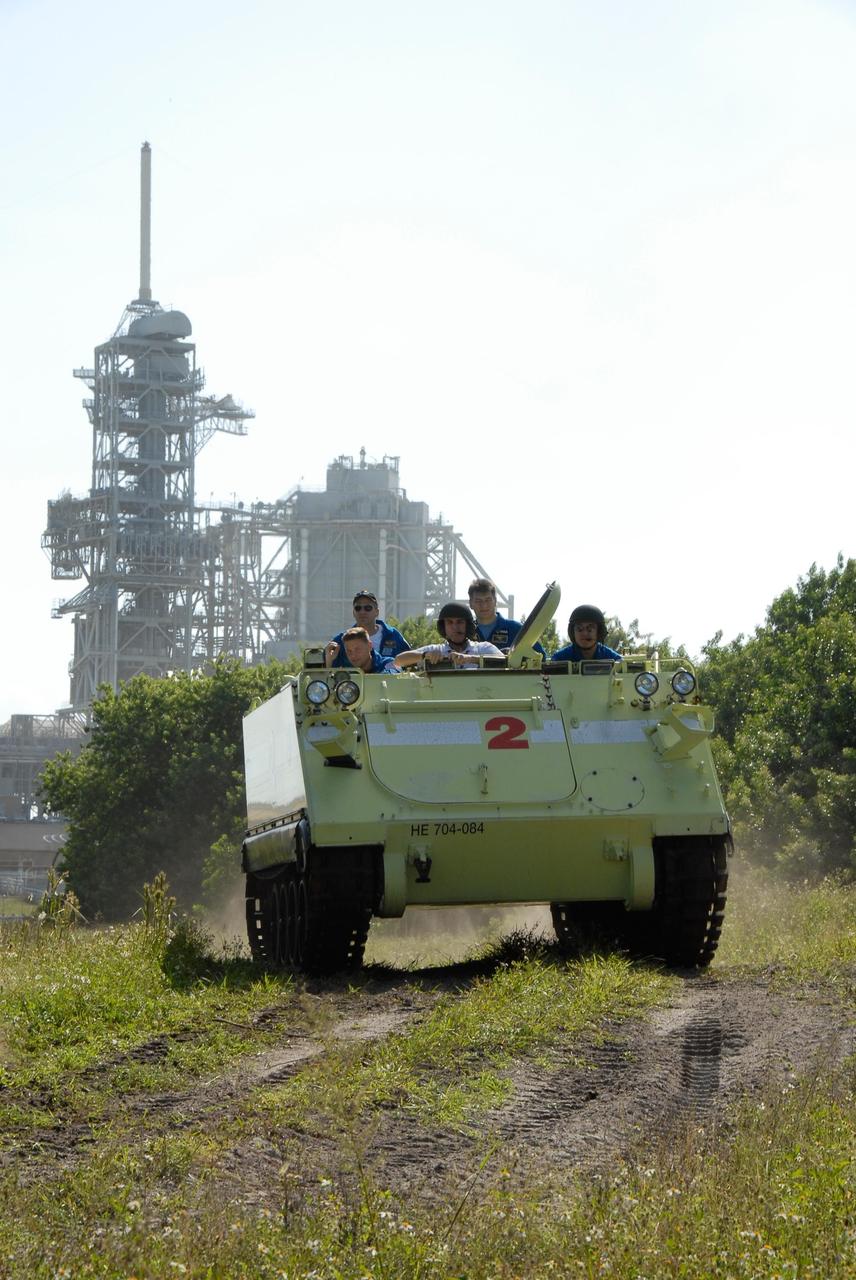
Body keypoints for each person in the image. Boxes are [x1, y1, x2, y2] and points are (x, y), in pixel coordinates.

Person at [396, 602, 503, 669]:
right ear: (443, 627)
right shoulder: (435, 650)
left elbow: (505, 662)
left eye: (460, 622)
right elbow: (398, 661)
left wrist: (470, 659)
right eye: (450, 623)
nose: (455, 627)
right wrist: (425, 656)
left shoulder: (483, 648)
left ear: (468, 626)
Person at [325, 590, 409, 668]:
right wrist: (329, 660)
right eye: (358, 608)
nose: (362, 612)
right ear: (353, 612)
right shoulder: (341, 639)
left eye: (368, 608)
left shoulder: (393, 635)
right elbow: (329, 669)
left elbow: (410, 664)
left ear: (377, 612)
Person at [468, 577, 547, 656]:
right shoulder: (465, 632)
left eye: (488, 600)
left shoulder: (516, 629)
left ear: (495, 601)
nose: (484, 605)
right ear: (470, 604)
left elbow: (540, 657)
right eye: (478, 601)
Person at [552, 604, 622, 662]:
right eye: (579, 629)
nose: (585, 633)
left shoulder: (612, 659)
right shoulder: (559, 659)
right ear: (572, 632)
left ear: (599, 632)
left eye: (590, 629)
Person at [335, 627, 402, 674]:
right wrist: (329, 661)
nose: (353, 655)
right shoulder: (346, 672)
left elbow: (393, 677)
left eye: (357, 649)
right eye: (349, 651)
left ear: (370, 646)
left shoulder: (388, 664)